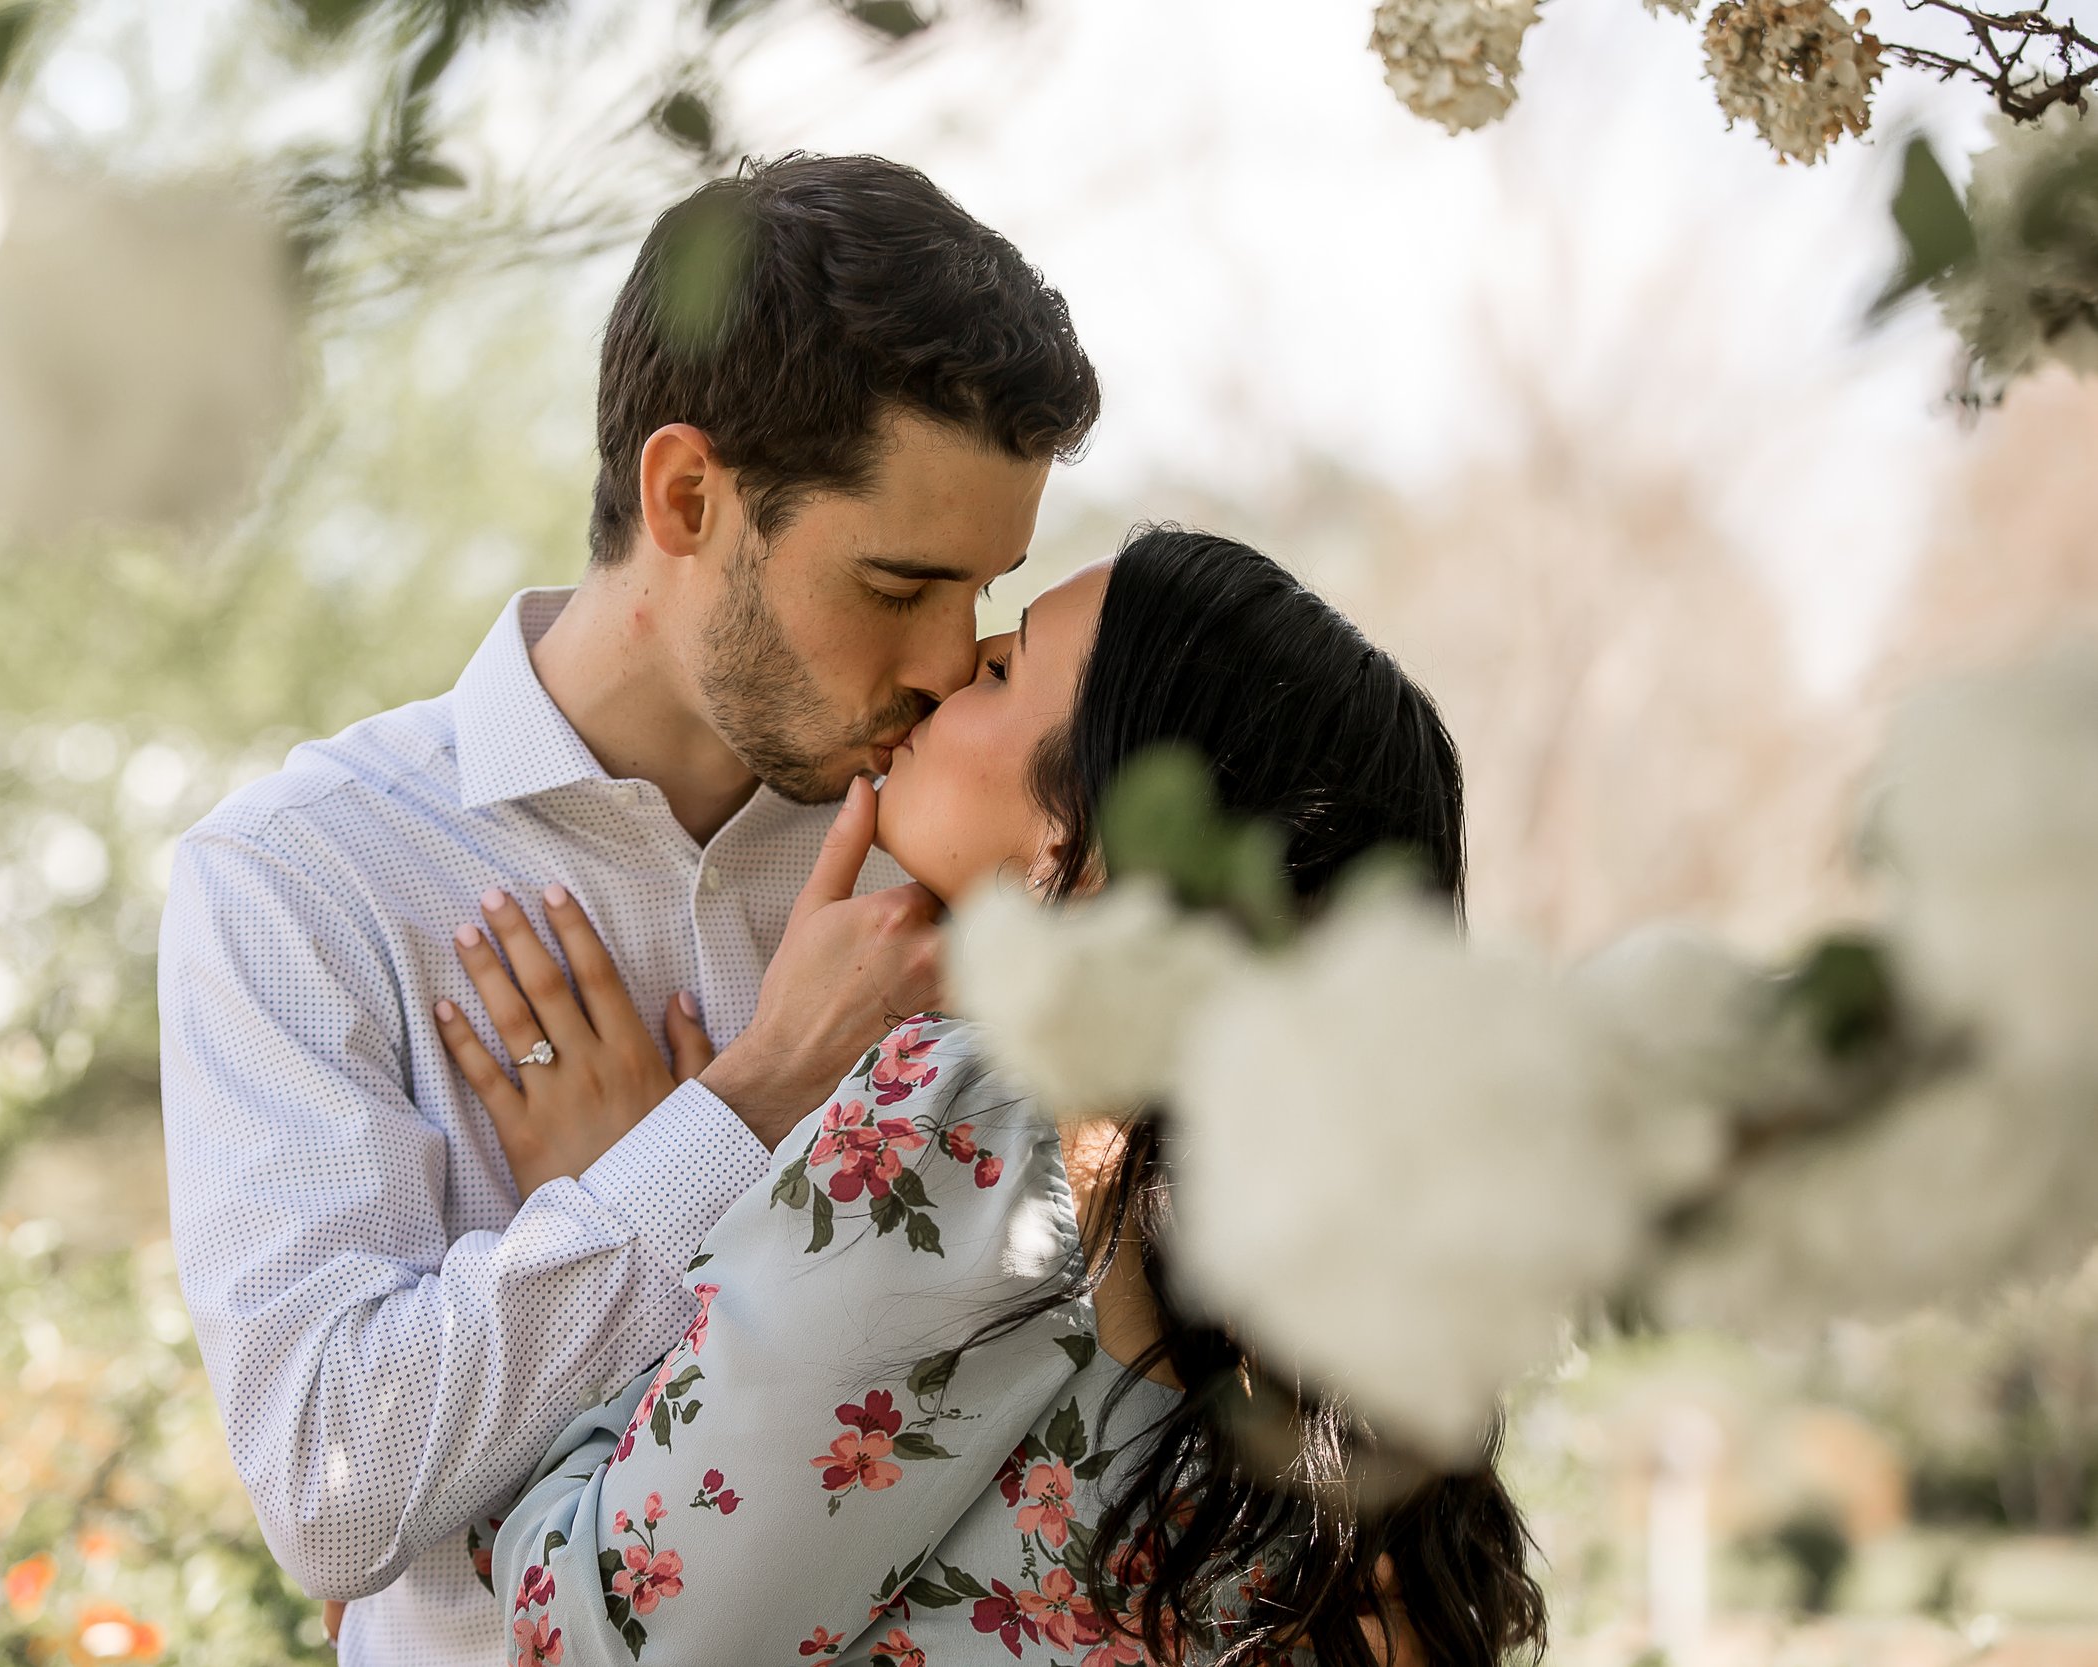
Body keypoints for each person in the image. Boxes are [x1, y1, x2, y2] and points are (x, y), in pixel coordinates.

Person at [157, 153, 1099, 1665]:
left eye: (984, 588)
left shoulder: (965, 859)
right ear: (685, 495)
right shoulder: (303, 879)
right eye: (899, 580)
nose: (945, 659)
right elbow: (333, 1485)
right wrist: (744, 1108)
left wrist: (628, 1189)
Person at [449, 529, 1548, 1665]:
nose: (950, 662)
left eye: (1003, 668)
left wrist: (625, 1190)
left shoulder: (989, 1111)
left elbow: (597, 1634)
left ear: (1085, 836)